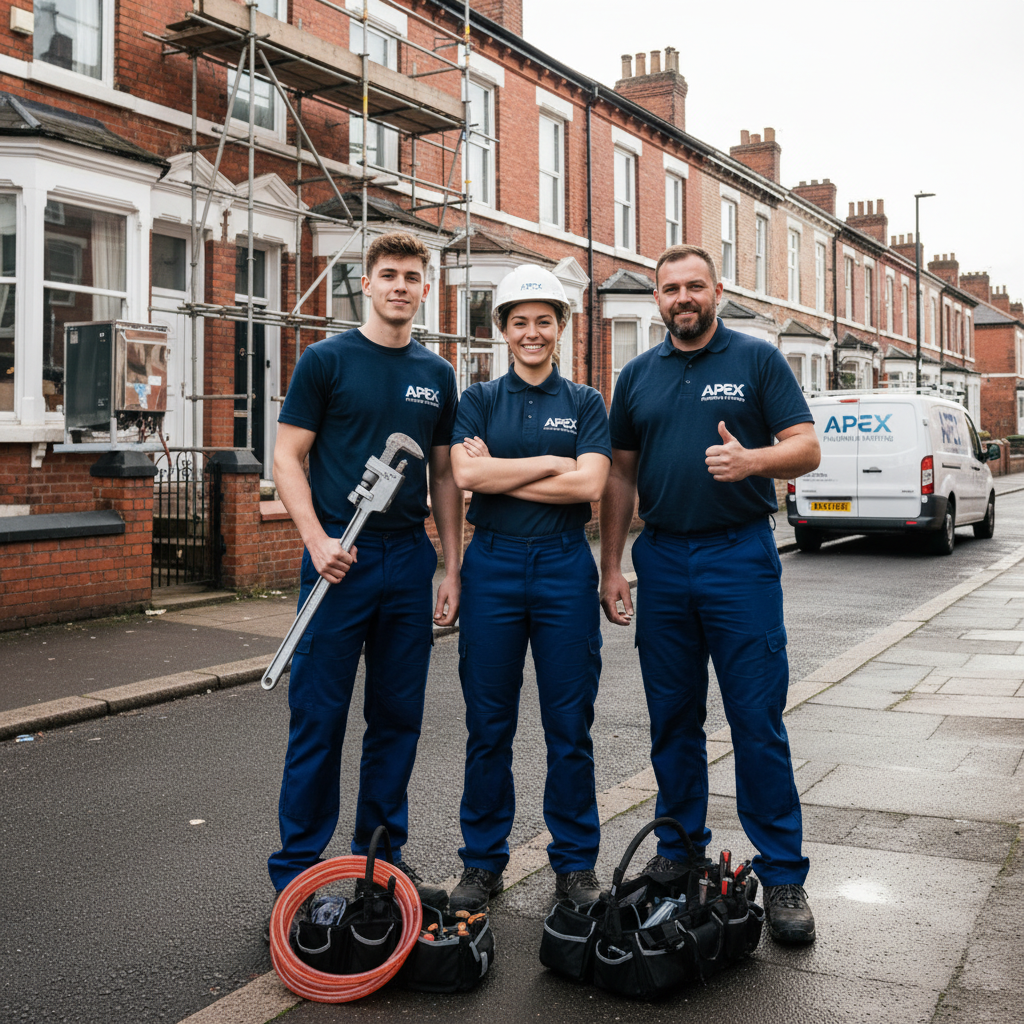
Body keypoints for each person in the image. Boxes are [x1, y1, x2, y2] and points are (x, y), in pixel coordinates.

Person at [599, 244, 821, 945]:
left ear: (716, 290)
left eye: (695, 285)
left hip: (739, 557)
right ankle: (679, 851)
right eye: (671, 289)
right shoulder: (635, 377)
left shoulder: (756, 359)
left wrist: (753, 459)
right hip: (661, 561)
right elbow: (619, 480)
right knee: (673, 718)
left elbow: (808, 446)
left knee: (757, 719)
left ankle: (782, 873)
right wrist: (610, 565)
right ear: (658, 299)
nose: (683, 297)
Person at [266, 232, 463, 930]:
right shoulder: (325, 361)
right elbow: (287, 457)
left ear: (423, 287)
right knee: (318, 719)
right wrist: (316, 541)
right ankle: (300, 876)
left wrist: (449, 562)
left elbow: (443, 474)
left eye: (413, 276)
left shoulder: (437, 374)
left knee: (397, 718)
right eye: (389, 275)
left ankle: (380, 860)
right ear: (367, 283)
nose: (401, 286)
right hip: (337, 561)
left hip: (407, 559)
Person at [446, 265, 611, 912]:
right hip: (493, 565)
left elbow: (590, 487)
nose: (532, 332)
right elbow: (464, 474)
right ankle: (483, 862)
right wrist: (549, 463)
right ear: (504, 331)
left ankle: (574, 863)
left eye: (545, 320)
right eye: (520, 321)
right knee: (489, 724)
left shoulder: (586, 403)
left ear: (561, 327)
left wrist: (497, 474)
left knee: (569, 724)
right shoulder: (479, 400)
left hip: (565, 565)